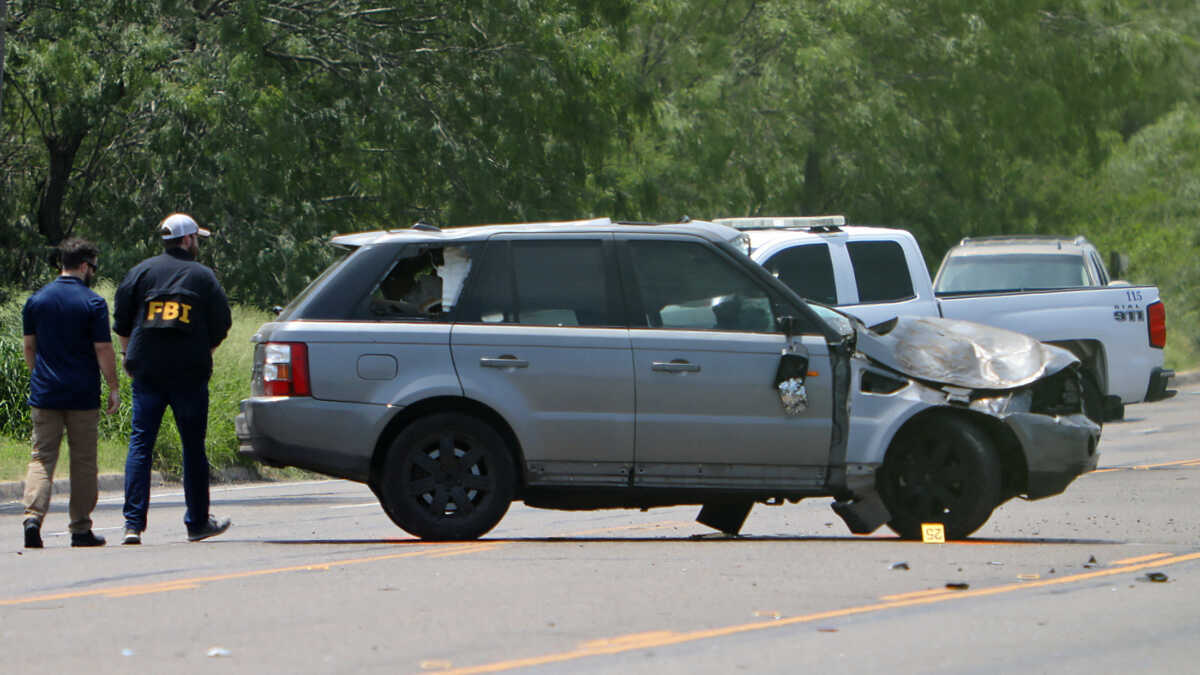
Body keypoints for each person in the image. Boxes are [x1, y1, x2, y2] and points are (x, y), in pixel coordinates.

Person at [113, 213, 233, 544]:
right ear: (186, 240)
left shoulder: (140, 272)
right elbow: (222, 322)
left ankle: (132, 525)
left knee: (141, 442)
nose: (197, 244)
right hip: (188, 374)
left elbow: (122, 321)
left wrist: (127, 356)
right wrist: (202, 346)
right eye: (196, 238)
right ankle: (197, 522)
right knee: (192, 445)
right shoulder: (203, 276)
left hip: (147, 371)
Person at [21, 238, 120, 548]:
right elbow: (103, 348)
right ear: (83, 266)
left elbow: (29, 347)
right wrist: (113, 387)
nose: (93, 272)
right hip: (82, 395)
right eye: (93, 266)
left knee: (41, 457)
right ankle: (80, 528)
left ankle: (32, 518)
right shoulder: (92, 303)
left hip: (46, 393)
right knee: (83, 461)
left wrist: (38, 375)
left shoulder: (36, 301)